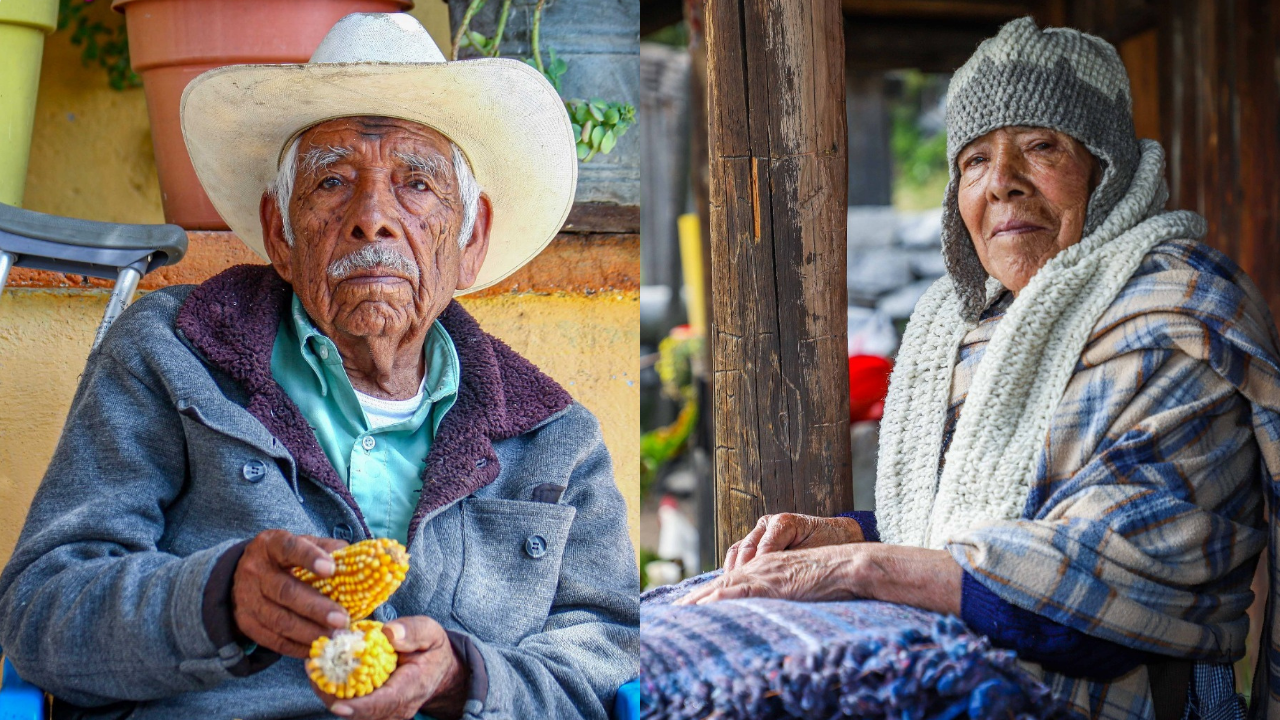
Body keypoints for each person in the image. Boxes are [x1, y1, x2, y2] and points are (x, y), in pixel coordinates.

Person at [0, 13, 637, 720]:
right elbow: (42, 610)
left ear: (470, 238)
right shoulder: (171, 355)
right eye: (333, 182)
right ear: (280, 230)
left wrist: (465, 677)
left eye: (417, 185)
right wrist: (219, 599)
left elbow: (610, 656)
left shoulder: (554, 439)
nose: (373, 217)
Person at [676, 17, 1280, 720]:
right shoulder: (963, 326)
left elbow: (1106, 580)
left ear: (1107, 169)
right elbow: (970, 522)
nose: (1003, 184)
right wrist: (849, 533)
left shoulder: (1181, 317)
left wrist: (863, 567)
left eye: (1040, 147)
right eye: (974, 161)